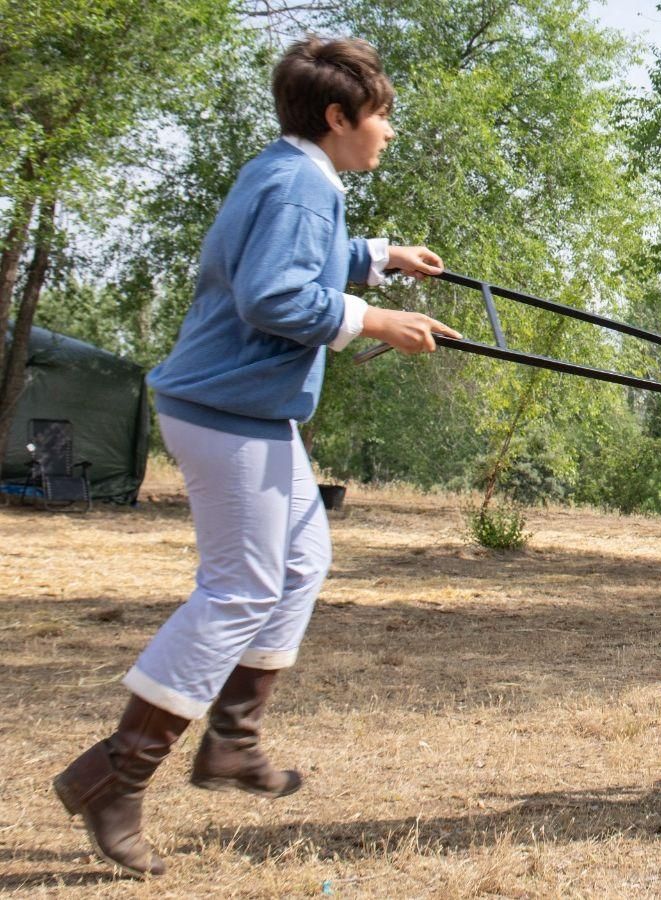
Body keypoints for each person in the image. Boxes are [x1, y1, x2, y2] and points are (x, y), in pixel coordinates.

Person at [52, 36, 459, 878]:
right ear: (340, 117)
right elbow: (273, 294)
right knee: (238, 589)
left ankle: (232, 741)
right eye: (381, 116)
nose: (388, 131)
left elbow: (284, 260)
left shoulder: (289, 171)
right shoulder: (304, 186)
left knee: (301, 562)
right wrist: (376, 320)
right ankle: (114, 777)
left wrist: (379, 256)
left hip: (241, 413)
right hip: (228, 414)